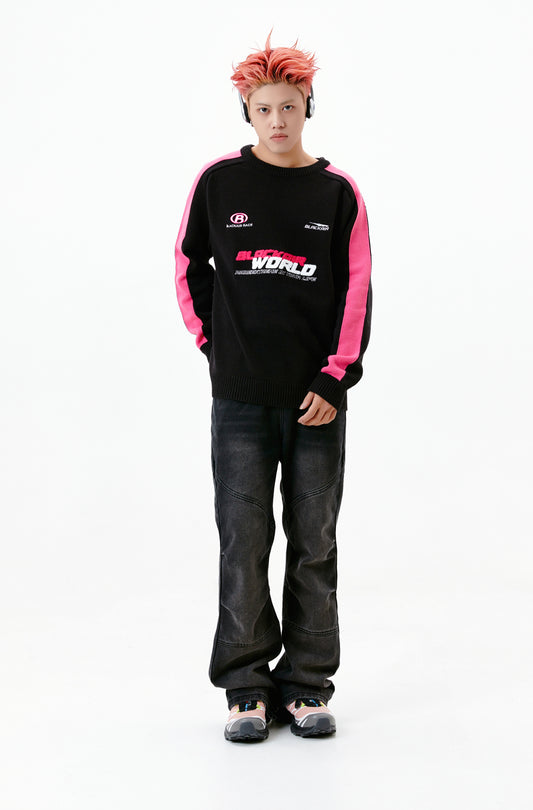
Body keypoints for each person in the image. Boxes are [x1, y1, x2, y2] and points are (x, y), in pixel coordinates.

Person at [174, 33, 372, 743]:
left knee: (314, 542)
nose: (277, 120)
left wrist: (335, 377)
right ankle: (246, 687)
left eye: (289, 106)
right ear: (247, 113)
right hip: (239, 399)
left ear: (307, 106)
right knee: (243, 540)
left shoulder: (336, 192)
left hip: (315, 400)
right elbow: (187, 265)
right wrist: (213, 344)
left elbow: (356, 289)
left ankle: (308, 684)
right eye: (264, 109)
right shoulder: (218, 183)